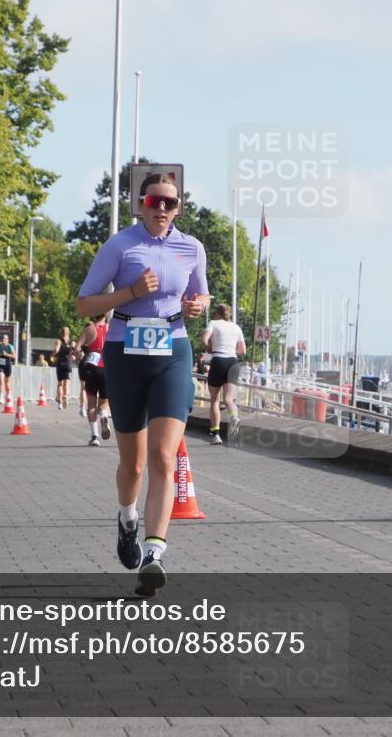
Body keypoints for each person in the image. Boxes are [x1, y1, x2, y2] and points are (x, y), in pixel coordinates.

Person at [77, 172, 208, 596]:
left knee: (164, 458)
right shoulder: (120, 246)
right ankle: (127, 518)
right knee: (133, 464)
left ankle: (154, 553)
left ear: (179, 207)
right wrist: (129, 291)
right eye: (156, 202)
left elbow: (201, 296)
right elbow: (84, 304)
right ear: (141, 203)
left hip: (172, 349)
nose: (163, 210)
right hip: (125, 351)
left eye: (171, 203)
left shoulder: (192, 248)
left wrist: (196, 306)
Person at [202, 304, 245, 444]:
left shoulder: (213, 323)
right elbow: (242, 350)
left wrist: (209, 348)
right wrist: (230, 351)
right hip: (233, 362)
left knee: (214, 399)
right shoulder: (236, 327)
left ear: (217, 313)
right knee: (228, 399)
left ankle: (215, 435)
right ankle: (233, 417)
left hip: (218, 360)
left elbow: (204, 340)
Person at [75, 315, 112, 446]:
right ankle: (103, 415)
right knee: (104, 401)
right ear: (105, 315)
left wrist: (80, 354)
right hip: (107, 367)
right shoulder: (112, 328)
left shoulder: (89, 329)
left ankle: (94, 436)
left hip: (91, 368)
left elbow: (77, 348)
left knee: (91, 404)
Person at [53, 326, 73, 409]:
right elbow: (73, 354)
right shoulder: (72, 342)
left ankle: (60, 402)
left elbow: (56, 351)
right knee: (67, 382)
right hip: (68, 363)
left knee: (60, 383)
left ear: (61, 333)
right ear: (68, 333)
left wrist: (53, 354)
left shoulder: (59, 341)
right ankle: (65, 396)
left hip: (60, 363)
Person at [0, 334, 16, 404]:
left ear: (7, 340)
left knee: (7, 383)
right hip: (1, 364)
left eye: (5, 339)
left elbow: (14, 356)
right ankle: (1, 398)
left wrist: (7, 354)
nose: (4, 340)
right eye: (3, 339)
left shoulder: (10, 346)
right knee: (1, 380)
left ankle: (8, 395)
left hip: (8, 363)